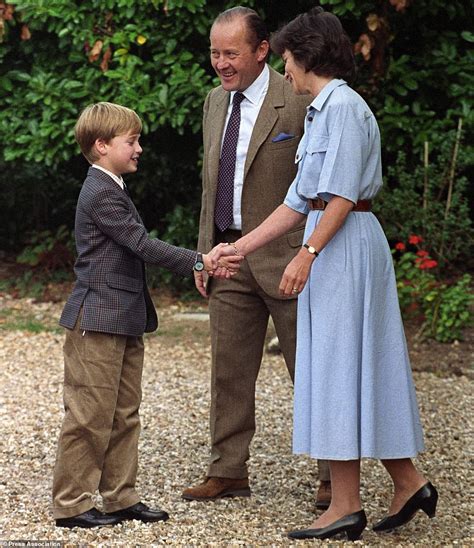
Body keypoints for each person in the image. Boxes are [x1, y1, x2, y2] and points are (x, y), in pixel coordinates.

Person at [217, 7, 438, 541]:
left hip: (343, 247)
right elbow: (298, 202)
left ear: (305, 56)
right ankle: (407, 483)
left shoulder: (342, 108)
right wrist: (237, 250)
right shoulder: (320, 110)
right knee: (345, 368)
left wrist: (306, 255)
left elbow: (339, 197)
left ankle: (345, 506)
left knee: (341, 369)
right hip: (329, 242)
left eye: (287, 59)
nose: (285, 71)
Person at [52, 102, 241, 528]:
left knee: (123, 412)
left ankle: (120, 497)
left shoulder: (113, 186)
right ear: (101, 146)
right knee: (88, 416)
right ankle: (71, 504)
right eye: (131, 141)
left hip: (122, 318)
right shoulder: (100, 192)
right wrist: (200, 261)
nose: (139, 149)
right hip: (96, 320)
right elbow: (140, 243)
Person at [182, 6, 331, 505]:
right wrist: (204, 254)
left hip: (288, 261)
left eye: (231, 53)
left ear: (262, 50)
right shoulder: (212, 102)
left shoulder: (300, 96)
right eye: (214, 53)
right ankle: (228, 471)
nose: (220, 63)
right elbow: (209, 186)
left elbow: (324, 186)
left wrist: (311, 252)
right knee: (227, 372)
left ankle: (333, 478)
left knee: (308, 371)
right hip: (228, 259)